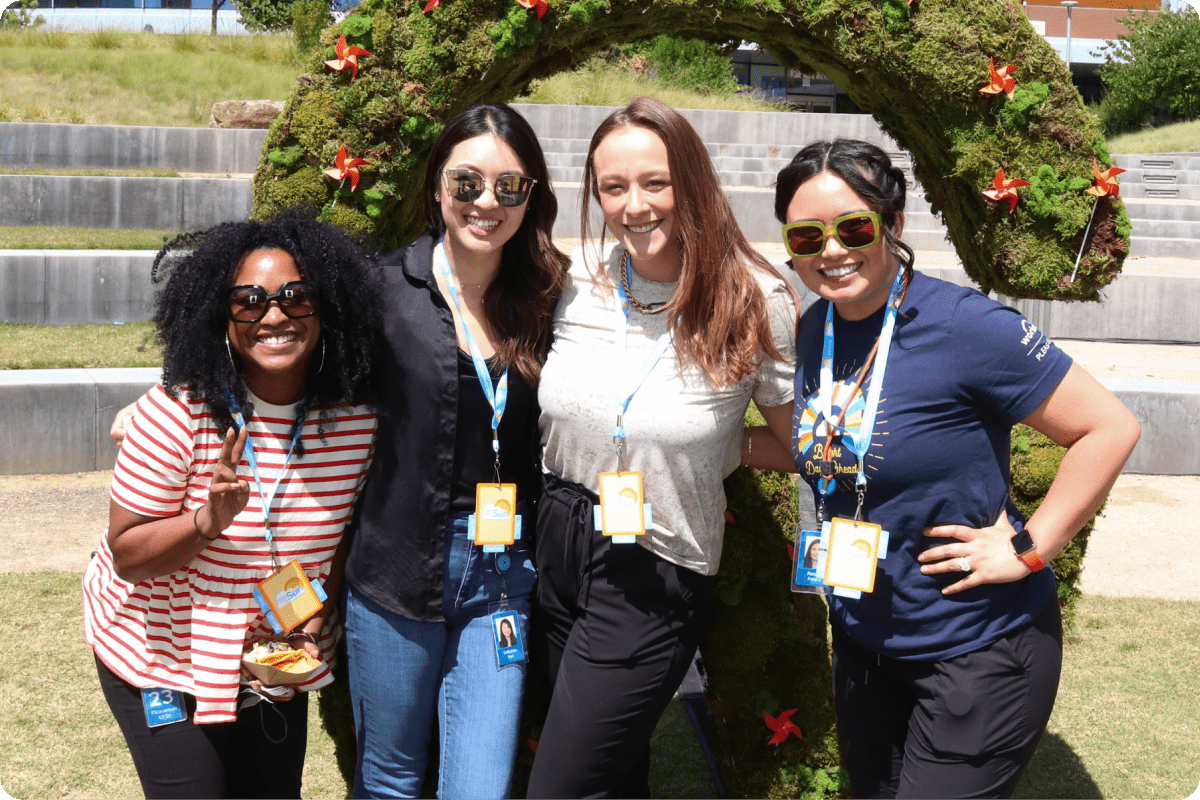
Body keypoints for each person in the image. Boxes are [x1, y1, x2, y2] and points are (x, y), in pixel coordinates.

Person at [748, 138, 1140, 799]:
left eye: (854, 228)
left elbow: (1109, 427)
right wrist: (717, 442)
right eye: (808, 235)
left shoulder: (965, 327)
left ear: (893, 225)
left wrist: (1028, 548)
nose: (832, 251)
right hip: (864, 642)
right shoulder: (817, 329)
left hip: (977, 648)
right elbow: (829, 450)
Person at [527, 97, 798, 799]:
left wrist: (709, 450)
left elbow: (794, 443)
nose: (634, 204)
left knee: (562, 785)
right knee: (612, 773)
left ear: (693, 182)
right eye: (613, 187)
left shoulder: (754, 297)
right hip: (556, 532)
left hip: (656, 558)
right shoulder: (578, 278)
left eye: (655, 182)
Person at [83, 214, 380, 799]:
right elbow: (129, 555)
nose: (274, 316)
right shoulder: (177, 413)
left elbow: (341, 534)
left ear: (326, 309)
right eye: (250, 301)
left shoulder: (354, 420)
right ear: (222, 315)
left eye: (296, 298)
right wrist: (205, 523)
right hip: (161, 658)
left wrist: (314, 611)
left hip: (270, 658)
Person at [341, 103, 568, 800]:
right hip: (394, 568)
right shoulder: (381, 291)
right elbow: (289, 373)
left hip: (502, 575)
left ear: (532, 198)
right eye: (467, 183)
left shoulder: (550, 298)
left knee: (480, 786)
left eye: (510, 188)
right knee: (390, 780)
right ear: (437, 184)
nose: (486, 203)